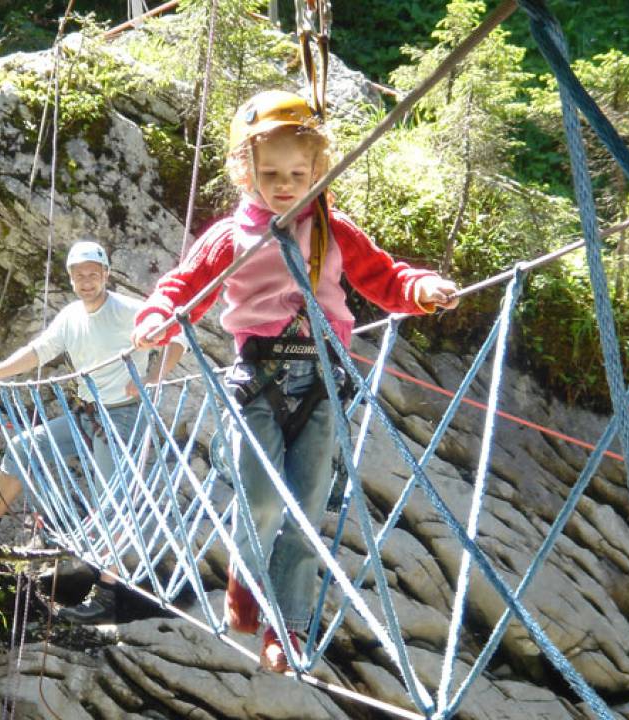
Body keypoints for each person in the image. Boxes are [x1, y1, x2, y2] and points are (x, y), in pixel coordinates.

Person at [131, 90, 458, 672]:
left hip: (323, 381)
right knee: (258, 498)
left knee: (305, 512)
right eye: (270, 173)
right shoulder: (231, 236)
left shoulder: (334, 231)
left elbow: (383, 276)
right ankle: (245, 581)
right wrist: (158, 317)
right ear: (245, 170)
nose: (284, 185)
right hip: (256, 376)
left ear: (318, 170)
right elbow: (183, 286)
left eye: (298, 173)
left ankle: (289, 631)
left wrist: (420, 290)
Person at [0, 239, 185, 623]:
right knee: (23, 448)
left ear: (105, 275)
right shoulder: (71, 316)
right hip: (85, 415)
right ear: (71, 280)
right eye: (79, 276)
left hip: (123, 419)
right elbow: (39, 351)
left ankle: (106, 595)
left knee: (113, 506)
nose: (86, 282)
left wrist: (153, 379)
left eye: (93, 274)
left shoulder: (129, 311)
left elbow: (179, 338)